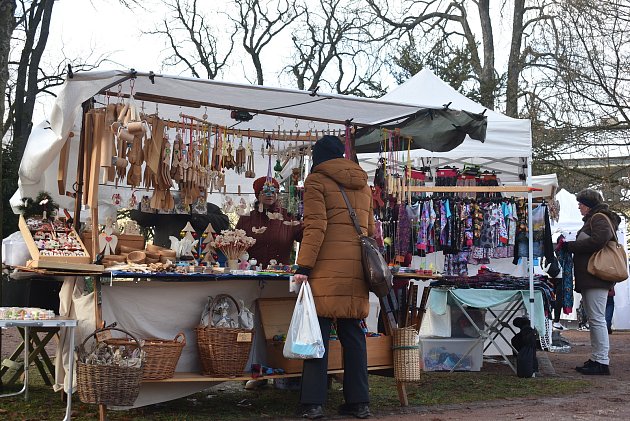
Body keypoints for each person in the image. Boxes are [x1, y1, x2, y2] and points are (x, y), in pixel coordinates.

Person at [293, 135, 373, 420]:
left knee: (318, 335)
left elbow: (316, 227)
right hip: (356, 269)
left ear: (318, 156)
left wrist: (303, 267)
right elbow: (371, 231)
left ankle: (313, 403)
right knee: (354, 334)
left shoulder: (317, 181)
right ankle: (359, 402)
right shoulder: (364, 185)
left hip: (326, 268)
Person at [563, 188, 619, 375]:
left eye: (581, 203)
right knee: (595, 319)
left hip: (596, 276)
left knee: (597, 319)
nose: (579, 206)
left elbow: (598, 241)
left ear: (588, 205)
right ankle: (597, 358)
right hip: (592, 277)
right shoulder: (596, 219)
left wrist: (571, 246)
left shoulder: (599, 218)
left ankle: (602, 361)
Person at [235, 176, 303, 268]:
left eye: (273, 191)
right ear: (258, 195)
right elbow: (235, 247)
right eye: (265, 191)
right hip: (250, 275)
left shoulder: (288, 217)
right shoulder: (246, 219)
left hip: (280, 276)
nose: (270, 194)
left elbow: (307, 239)